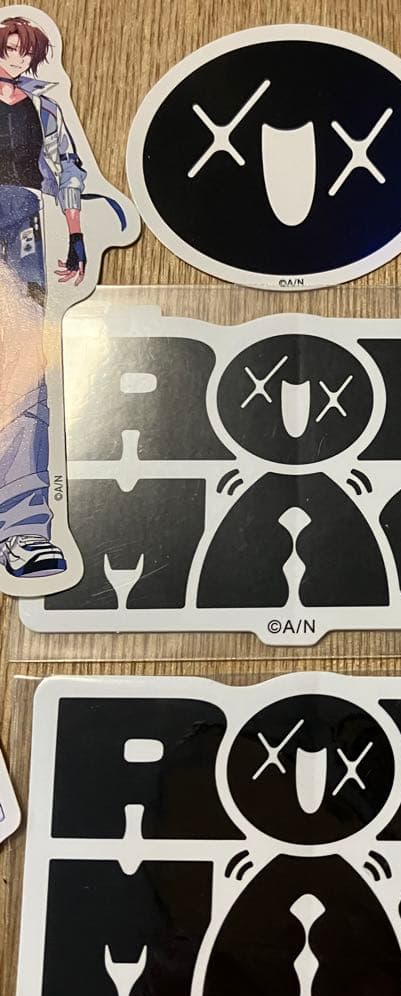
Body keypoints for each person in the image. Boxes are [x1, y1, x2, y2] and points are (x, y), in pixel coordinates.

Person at [0, 14, 87, 578]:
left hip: (24, 225)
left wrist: (76, 238)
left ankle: (24, 529)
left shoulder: (45, 108)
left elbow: (67, 171)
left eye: (24, 53)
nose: (16, 60)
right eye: (8, 50)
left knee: (27, 369)